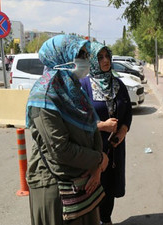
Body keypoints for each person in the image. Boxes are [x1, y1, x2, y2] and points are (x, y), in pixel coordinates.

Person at [26, 35, 109, 225]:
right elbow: (60, 150)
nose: (86, 61)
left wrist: (97, 165)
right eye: (80, 55)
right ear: (61, 58)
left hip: (85, 183)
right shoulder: (45, 97)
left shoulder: (73, 89)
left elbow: (92, 128)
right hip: (56, 189)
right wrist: (98, 159)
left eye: (87, 56)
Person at [80, 42, 132, 225]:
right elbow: (77, 118)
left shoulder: (117, 84)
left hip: (115, 147)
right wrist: (101, 125)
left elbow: (127, 112)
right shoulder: (84, 86)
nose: (105, 60)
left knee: (110, 186)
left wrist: (123, 131)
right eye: (100, 57)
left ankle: (106, 219)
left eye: (107, 56)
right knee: (93, 187)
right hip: (94, 148)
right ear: (93, 60)